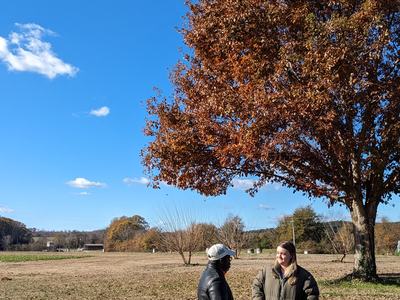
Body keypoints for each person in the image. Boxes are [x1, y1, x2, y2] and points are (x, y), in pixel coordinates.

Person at [252, 241, 319, 300]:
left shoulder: (304, 275)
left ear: (291, 256)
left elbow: (312, 294)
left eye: (283, 254)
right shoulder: (266, 271)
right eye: (278, 253)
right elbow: (256, 286)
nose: (279, 256)